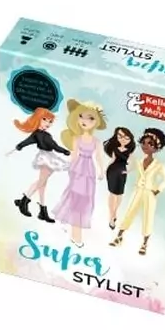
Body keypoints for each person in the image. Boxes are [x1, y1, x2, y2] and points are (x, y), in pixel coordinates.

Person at [51, 99, 106, 247]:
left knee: (85, 200)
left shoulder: (96, 141)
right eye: (81, 116)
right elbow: (74, 155)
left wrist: (101, 170)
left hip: (89, 171)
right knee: (75, 198)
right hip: (77, 170)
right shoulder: (76, 138)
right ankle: (74, 232)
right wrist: (69, 167)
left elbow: (99, 157)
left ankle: (72, 229)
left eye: (90, 118)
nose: (84, 121)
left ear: (96, 122)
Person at [109, 128, 165, 255]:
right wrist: (124, 171)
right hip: (138, 190)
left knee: (148, 216)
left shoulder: (159, 165)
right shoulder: (139, 161)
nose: (146, 146)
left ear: (156, 148)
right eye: (144, 143)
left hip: (149, 193)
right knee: (129, 211)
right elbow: (132, 169)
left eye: (150, 144)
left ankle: (144, 243)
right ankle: (119, 236)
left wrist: (157, 190)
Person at [7, 107, 70, 223]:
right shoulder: (37, 134)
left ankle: (42, 210)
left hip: (50, 157)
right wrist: (17, 147)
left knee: (43, 185)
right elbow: (27, 142)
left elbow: (55, 146)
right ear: (38, 119)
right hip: (45, 158)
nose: (48, 123)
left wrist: (63, 151)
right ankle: (24, 201)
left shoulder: (46, 135)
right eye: (44, 119)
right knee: (41, 182)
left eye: (50, 121)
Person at [103, 127, 135, 229]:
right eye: (120, 137)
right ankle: (111, 217)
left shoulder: (129, 152)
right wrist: (106, 169)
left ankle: (114, 213)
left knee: (119, 194)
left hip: (121, 173)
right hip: (112, 171)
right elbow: (112, 160)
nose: (123, 139)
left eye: (126, 138)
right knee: (112, 194)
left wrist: (127, 171)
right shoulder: (115, 149)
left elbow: (133, 164)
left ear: (130, 140)